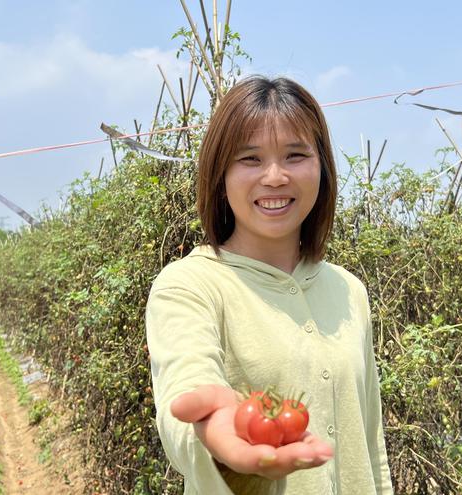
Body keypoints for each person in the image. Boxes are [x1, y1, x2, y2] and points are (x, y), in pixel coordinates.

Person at [145, 75, 393, 495]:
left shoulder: (349, 290)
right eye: (250, 159)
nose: (275, 177)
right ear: (219, 173)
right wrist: (216, 435)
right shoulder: (189, 286)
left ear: (322, 167)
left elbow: (370, 442)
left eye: (295, 155)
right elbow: (187, 381)